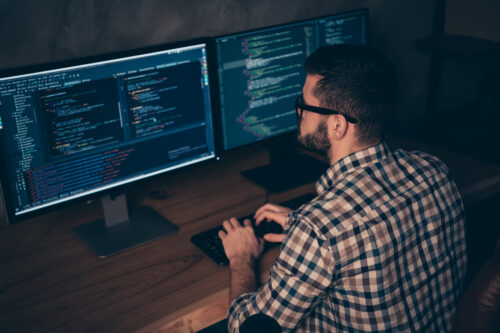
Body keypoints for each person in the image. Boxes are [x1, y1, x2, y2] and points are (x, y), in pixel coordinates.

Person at [218, 44, 467, 332]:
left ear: (337, 125)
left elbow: (244, 329)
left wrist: (240, 257)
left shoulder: (318, 228)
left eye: (304, 104)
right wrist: (300, 225)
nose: (299, 112)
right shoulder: (433, 169)